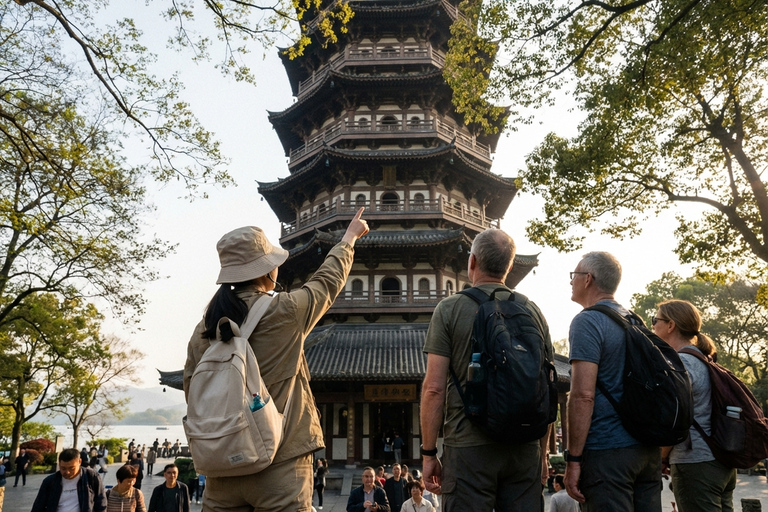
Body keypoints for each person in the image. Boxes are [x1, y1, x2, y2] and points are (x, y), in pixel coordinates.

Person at [183, 208, 369, 511]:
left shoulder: (206, 327)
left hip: (222, 466)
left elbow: (192, 387)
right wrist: (348, 238)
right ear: (266, 271)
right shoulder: (285, 310)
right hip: (281, 464)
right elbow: (326, 282)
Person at [421, 228, 555, 512]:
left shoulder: (450, 308)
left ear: (472, 262)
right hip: (524, 446)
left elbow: (433, 389)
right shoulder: (533, 311)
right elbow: (546, 386)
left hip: (469, 446)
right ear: (509, 266)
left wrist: (429, 453)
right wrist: (542, 455)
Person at [564, 251, 661, 511]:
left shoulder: (588, 321)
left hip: (608, 452)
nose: (571, 281)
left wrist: (573, 459)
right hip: (646, 450)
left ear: (588, 279)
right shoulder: (635, 320)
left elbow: (583, 395)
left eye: (573, 275)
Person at [654, 299, 737, 511]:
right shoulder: (704, 359)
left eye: (656, 320)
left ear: (671, 325)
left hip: (695, 464)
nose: (653, 326)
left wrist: (661, 458)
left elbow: (674, 419)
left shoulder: (680, 364)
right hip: (721, 461)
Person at [31, 448, 107, 512]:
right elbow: (38, 507)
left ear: (79, 462)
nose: (67, 472)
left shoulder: (91, 477)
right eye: (63, 468)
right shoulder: (50, 481)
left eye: (71, 468)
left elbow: (101, 504)